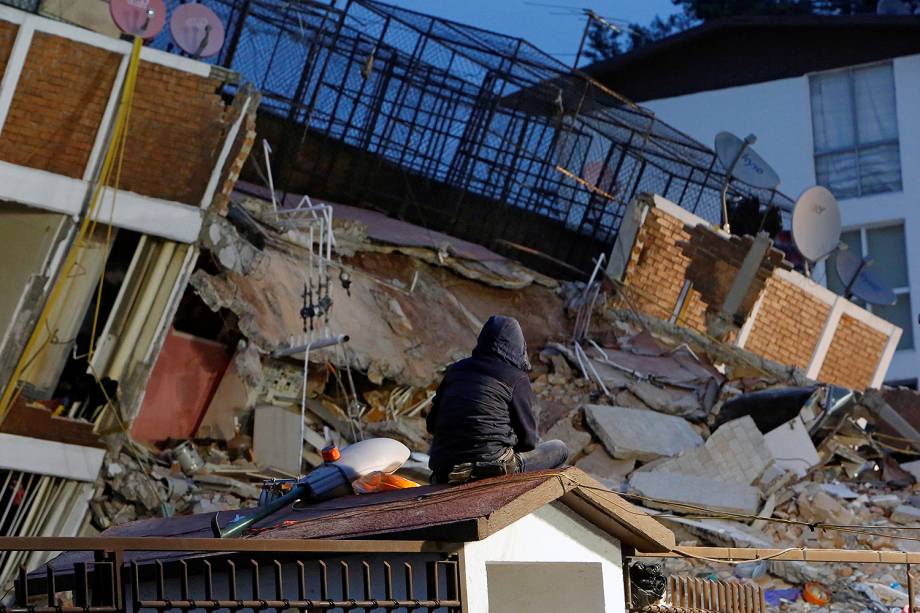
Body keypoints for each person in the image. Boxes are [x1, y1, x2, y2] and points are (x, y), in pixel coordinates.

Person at [426, 315, 570, 484]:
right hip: (489, 468)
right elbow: (529, 441)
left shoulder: (456, 370)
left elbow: (431, 425)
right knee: (559, 449)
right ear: (518, 346)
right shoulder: (516, 378)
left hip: (443, 468)